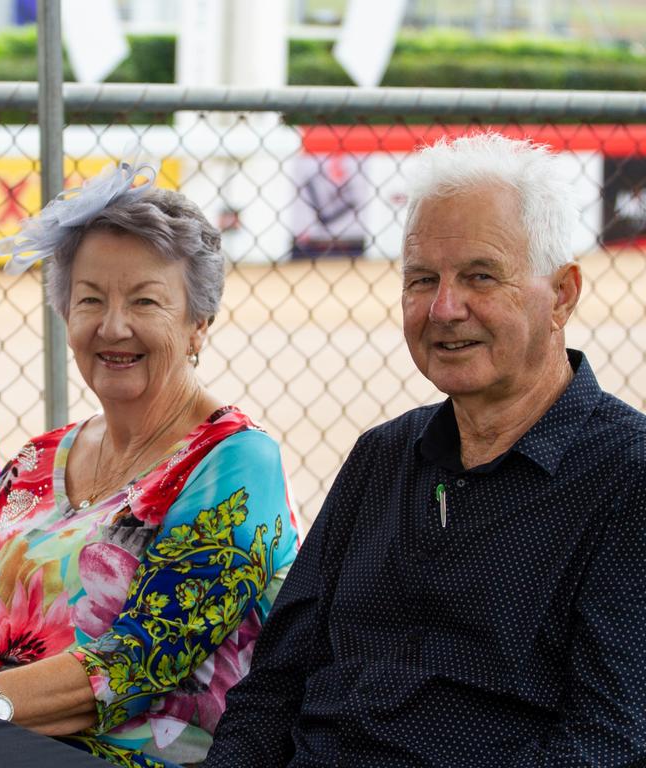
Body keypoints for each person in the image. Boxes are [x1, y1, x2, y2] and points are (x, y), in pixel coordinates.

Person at [204, 132, 646, 767]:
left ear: (564, 295)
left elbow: (609, 742)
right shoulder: (382, 456)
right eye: (421, 279)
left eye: (480, 277)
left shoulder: (626, 477)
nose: (443, 307)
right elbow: (272, 687)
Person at [0, 162, 298, 768]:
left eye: (146, 301)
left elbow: (138, 662)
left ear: (198, 325)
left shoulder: (235, 464)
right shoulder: (36, 459)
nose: (113, 326)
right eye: (90, 300)